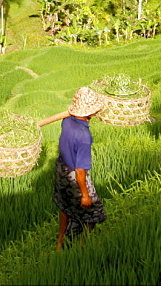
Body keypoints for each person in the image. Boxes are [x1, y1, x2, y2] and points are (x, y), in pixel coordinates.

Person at [37, 87, 108, 251]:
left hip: (61, 168)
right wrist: (85, 194)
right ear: (89, 112)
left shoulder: (67, 121)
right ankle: (81, 244)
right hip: (74, 174)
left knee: (65, 206)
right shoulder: (84, 136)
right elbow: (80, 171)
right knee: (95, 214)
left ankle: (60, 242)